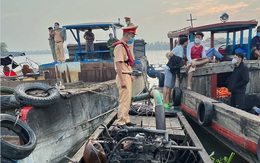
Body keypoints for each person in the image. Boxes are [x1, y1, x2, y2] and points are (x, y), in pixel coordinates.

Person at [113, 25, 138, 129]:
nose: (131, 38)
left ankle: (126, 119)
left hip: (127, 74)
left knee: (127, 100)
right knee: (123, 100)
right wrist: (122, 79)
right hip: (122, 75)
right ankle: (121, 122)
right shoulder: (119, 47)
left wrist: (130, 74)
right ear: (127, 35)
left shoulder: (124, 46)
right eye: (131, 36)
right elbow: (118, 64)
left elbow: (126, 64)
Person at [163, 37, 188, 108]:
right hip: (169, 69)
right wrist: (174, 60)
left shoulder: (182, 50)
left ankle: (169, 101)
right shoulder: (178, 48)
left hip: (174, 70)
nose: (187, 43)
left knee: (171, 86)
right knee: (167, 86)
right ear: (185, 42)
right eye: (187, 42)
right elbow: (170, 54)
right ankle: (164, 101)